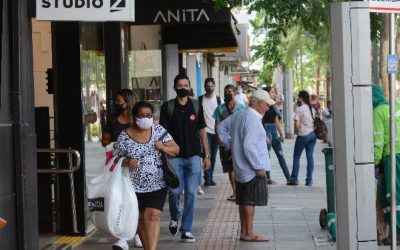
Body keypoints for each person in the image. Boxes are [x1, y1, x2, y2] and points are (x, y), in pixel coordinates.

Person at [113, 101, 180, 250]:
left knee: (153, 215)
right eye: (141, 115)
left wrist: (163, 147)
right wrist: (127, 161)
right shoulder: (124, 136)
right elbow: (115, 158)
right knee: (140, 219)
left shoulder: (158, 131)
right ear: (135, 116)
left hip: (157, 183)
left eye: (148, 115)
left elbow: (176, 149)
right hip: (132, 186)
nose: (145, 118)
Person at [159, 74, 211, 243]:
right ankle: (175, 216)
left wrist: (207, 155)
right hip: (174, 157)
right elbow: (162, 132)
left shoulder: (196, 106)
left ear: (189, 87)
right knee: (174, 192)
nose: (183, 87)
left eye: (185, 85)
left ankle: (186, 229)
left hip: (194, 156)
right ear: (175, 87)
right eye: (179, 85)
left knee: (191, 194)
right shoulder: (168, 107)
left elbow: (202, 131)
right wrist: (165, 150)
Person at [218, 89, 274, 242]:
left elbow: (221, 127)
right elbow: (249, 144)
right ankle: (248, 232)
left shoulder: (239, 114)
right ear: (259, 104)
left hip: (239, 166)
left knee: (243, 200)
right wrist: (258, 166)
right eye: (267, 105)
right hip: (250, 168)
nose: (268, 108)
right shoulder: (252, 118)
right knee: (249, 201)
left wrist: (230, 145)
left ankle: (245, 231)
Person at [100, 89, 143, 249]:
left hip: (136, 166)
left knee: (135, 201)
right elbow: (105, 140)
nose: (117, 104)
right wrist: (109, 141)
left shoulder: (137, 120)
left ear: (128, 102)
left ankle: (137, 233)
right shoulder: (112, 120)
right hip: (118, 165)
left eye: (120, 101)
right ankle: (122, 237)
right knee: (119, 201)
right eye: (116, 101)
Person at [372, 84, 400, 245]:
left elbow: (378, 141)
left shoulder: (378, 112)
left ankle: (396, 232)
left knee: (391, 196)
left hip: (391, 157)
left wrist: (374, 162)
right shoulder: (395, 106)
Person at [213, 84, 246, 201]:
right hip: (225, 143)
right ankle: (235, 191)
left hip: (238, 142)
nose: (227, 93)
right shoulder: (219, 109)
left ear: (235, 93)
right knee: (229, 168)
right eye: (225, 91)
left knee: (239, 166)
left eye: (230, 92)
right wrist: (218, 139)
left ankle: (241, 191)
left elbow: (244, 124)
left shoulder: (241, 107)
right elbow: (216, 125)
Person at [288, 90, 317, 186]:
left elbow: (296, 125)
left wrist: (297, 131)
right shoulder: (311, 108)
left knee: (296, 157)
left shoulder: (299, 109)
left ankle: (294, 179)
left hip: (303, 135)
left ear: (301, 98)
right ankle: (309, 180)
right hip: (312, 134)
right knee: (310, 156)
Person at [262, 86, 290, 184]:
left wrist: (281, 133)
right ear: (267, 93)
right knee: (267, 155)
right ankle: (267, 177)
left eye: (274, 92)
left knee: (281, 155)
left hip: (273, 130)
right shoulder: (263, 104)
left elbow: (276, 119)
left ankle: (288, 177)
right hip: (266, 130)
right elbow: (260, 120)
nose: (274, 94)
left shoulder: (273, 105)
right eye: (272, 92)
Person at [198, 78, 223, 186]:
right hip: (205, 131)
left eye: (211, 86)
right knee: (206, 155)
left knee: (213, 155)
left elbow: (222, 115)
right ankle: (207, 178)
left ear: (214, 86)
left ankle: (210, 177)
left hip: (216, 131)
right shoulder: (199, 100)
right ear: (204, 86)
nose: (209, 88)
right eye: (207, 86)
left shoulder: (219, 100)